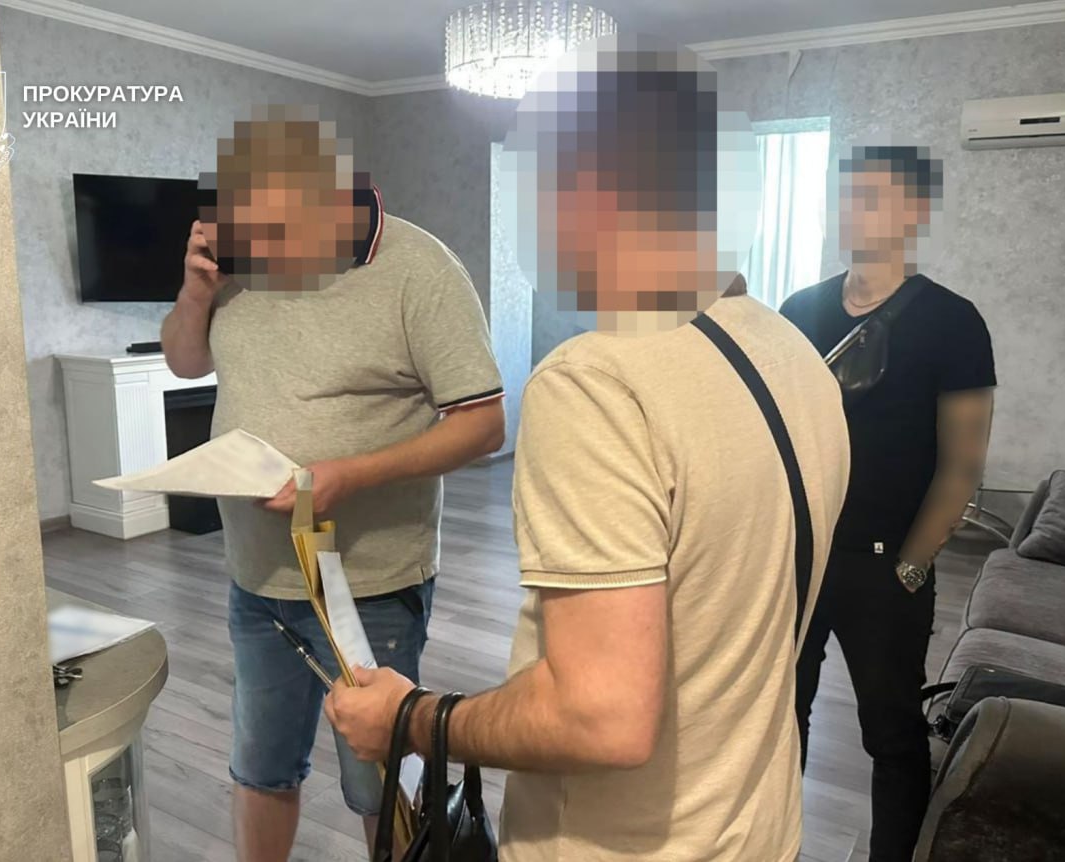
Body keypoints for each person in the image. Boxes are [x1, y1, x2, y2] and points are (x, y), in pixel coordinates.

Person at [324, 36, 851, 861]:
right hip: (759, 828)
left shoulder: (597, 382)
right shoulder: (795, 354)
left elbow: (600, 716)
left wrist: (411, 719)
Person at [160, 105, 505, 862]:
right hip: (257, 575)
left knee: (378, 780)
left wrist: (347, 475)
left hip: (368, 582)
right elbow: (185, 363)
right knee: (260, 766)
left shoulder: (418, 268)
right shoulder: (238, 262)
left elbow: (483, 425)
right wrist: (195, 292)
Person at [780, 145, 996, 862]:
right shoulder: (798, 311)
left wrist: (911, 567)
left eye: (874, 197)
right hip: (799, 558)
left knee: (892, 732)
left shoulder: (952, 321)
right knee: (780, 719)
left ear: (914, 212)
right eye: (845, 196)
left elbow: (962, 464)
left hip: (885, 566)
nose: (854, 211)